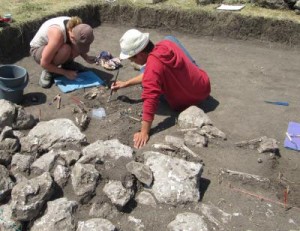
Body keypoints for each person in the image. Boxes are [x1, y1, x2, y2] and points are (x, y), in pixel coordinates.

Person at [112, 29, 211, 149]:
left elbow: (150, 99)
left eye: (133, 59)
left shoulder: (152, 69)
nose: (133, 62)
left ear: (141, 54)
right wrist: (125, 83)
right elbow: (153, 72)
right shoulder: (166, 45)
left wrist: (144, 132)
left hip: (185, 103)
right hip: (204, 85)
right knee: (169, 38)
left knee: (150, 78)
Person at [30, 16, 96, 88]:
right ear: (72, 38)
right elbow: (44, 63)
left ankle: (67, 64)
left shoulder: (79, 28)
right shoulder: (57, 34)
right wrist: (65, 73)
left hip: (57, 46)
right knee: (65, 49)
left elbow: (80, 44)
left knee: (72, 48)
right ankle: (49, 71)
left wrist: (86, 57)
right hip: (38, 50)